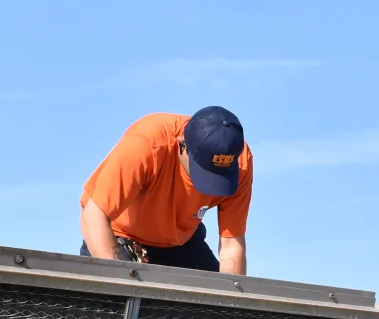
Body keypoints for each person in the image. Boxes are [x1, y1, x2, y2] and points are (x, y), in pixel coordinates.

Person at [79, 107, 251, 274]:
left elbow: (231, 242)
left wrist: (232, 300)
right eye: (203, 171)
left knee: (213, 299)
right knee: (116, 299)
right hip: (123, 236)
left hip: (182, 241)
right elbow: (94, 216)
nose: (210, 183)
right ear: (182, 145)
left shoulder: (241, 165)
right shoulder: (146, 144)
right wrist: (118, 282)